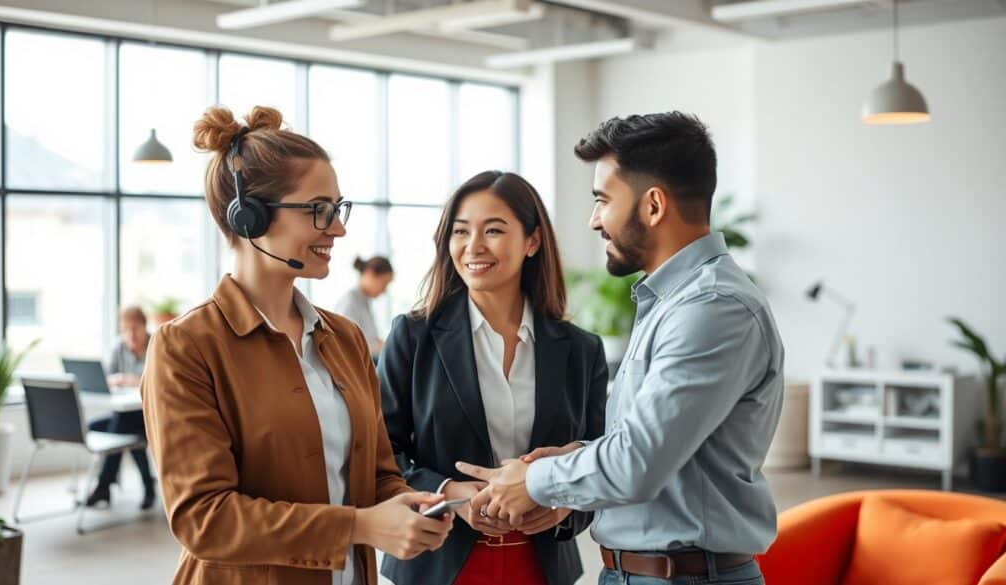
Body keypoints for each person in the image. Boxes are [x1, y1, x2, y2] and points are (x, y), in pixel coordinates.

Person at [457, 114, 785, 585]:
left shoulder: (712, 308)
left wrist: (532, 481)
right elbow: (662, 449)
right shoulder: (671, 301)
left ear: (653, 205)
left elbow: (638, 463)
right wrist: (574, 456)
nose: (594, 221)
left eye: (602, 200)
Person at [141, 105, 452, 585]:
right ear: (250, 217)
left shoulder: (344, 338)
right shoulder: (185, 346)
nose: (339, 229)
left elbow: (376, 475)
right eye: (319, 210)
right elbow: (204, 518)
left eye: (338, 209)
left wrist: (411, 503)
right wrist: (360, 525)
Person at [379, 171, 608, 585]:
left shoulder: (581, 350)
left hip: (540, 568)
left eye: (494, 230)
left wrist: (565, 505)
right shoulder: (413, 337)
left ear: (533, 241)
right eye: (461, 232)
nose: (473, 247)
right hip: (438, 565)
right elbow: (382, 454)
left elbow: (600, 455)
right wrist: (451, 493)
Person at [85, 305, 156, 510]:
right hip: (125, 413)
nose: (130, 334)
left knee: (121, 427)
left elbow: (157, 381)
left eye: (135, 328)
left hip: (149, 415)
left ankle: (103, 487)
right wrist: (115, 381)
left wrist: (130, 380)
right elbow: (107, 380)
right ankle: (147, 485)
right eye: (125, 329)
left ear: (144, 327)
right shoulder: (119, 349)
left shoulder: (156, 346)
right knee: (98, 426)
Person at [334, 256, 393, 357]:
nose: (384, 290)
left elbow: (368, 337)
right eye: (384, 283)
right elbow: (345, 343)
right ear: (369, 273)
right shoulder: (350, 302)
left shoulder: (364, 301)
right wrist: (380, 347)